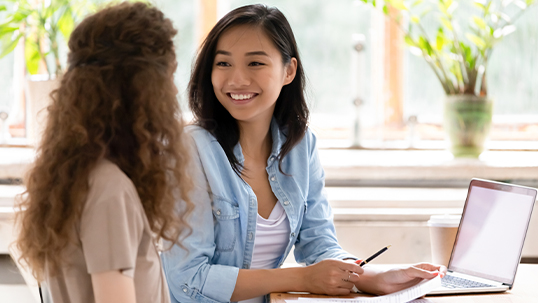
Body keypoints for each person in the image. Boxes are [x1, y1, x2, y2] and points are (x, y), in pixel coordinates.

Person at [162, 4, 446, 303]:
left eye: (255, 63)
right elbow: (187, 279)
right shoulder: (190, 150)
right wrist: (301, 277)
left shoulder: (299, 145)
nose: (237, 79)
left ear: (289, 71)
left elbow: (319, 244)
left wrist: (375, 278)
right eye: (223, 64)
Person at [14, 2, 193, 303]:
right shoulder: (109, 190)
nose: (174, 92)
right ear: (140, 87)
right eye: (169, 76)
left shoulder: (77, 180)